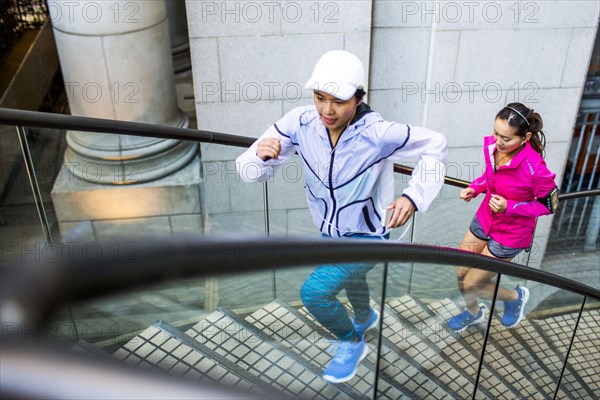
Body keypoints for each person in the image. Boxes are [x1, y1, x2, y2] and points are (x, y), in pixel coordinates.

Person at [236, 50, 447, 382]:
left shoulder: (377, 134)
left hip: (370, 237)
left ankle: (352, 341)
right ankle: (364, 315)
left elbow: (436, 143)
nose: (326, 110)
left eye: (338, 101)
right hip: (331, 232)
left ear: (359, 98)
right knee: (352, 278)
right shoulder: (301, 122)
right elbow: (248, 170)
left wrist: (413, 196)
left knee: (315, 293)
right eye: (319, 98)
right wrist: (260, 159)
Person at [448, 102, 558, 333]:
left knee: (471, 284)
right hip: (485, 218)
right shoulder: (492, 148)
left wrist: (511, 206)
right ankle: (473, 312)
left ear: (526, 137)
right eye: (496, 133)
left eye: (506, 138)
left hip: (510, 235)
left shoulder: (535, 168)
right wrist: (476, 188)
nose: (498, 141)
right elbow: (490, 176)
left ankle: (513, 297)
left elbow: (548, 205)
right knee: (460, 273)